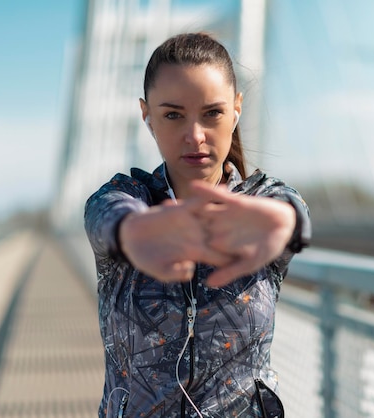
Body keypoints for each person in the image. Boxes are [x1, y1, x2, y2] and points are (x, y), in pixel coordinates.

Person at [84, 32, 311, 418]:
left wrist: (289, 220)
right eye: (173, 115)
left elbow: (290, 210)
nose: (195, 136)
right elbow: (104, 213)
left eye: (212, 113)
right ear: (147, 115)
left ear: (236, 110)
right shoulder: (130, 197)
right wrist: (132, 231)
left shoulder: (260, 203)